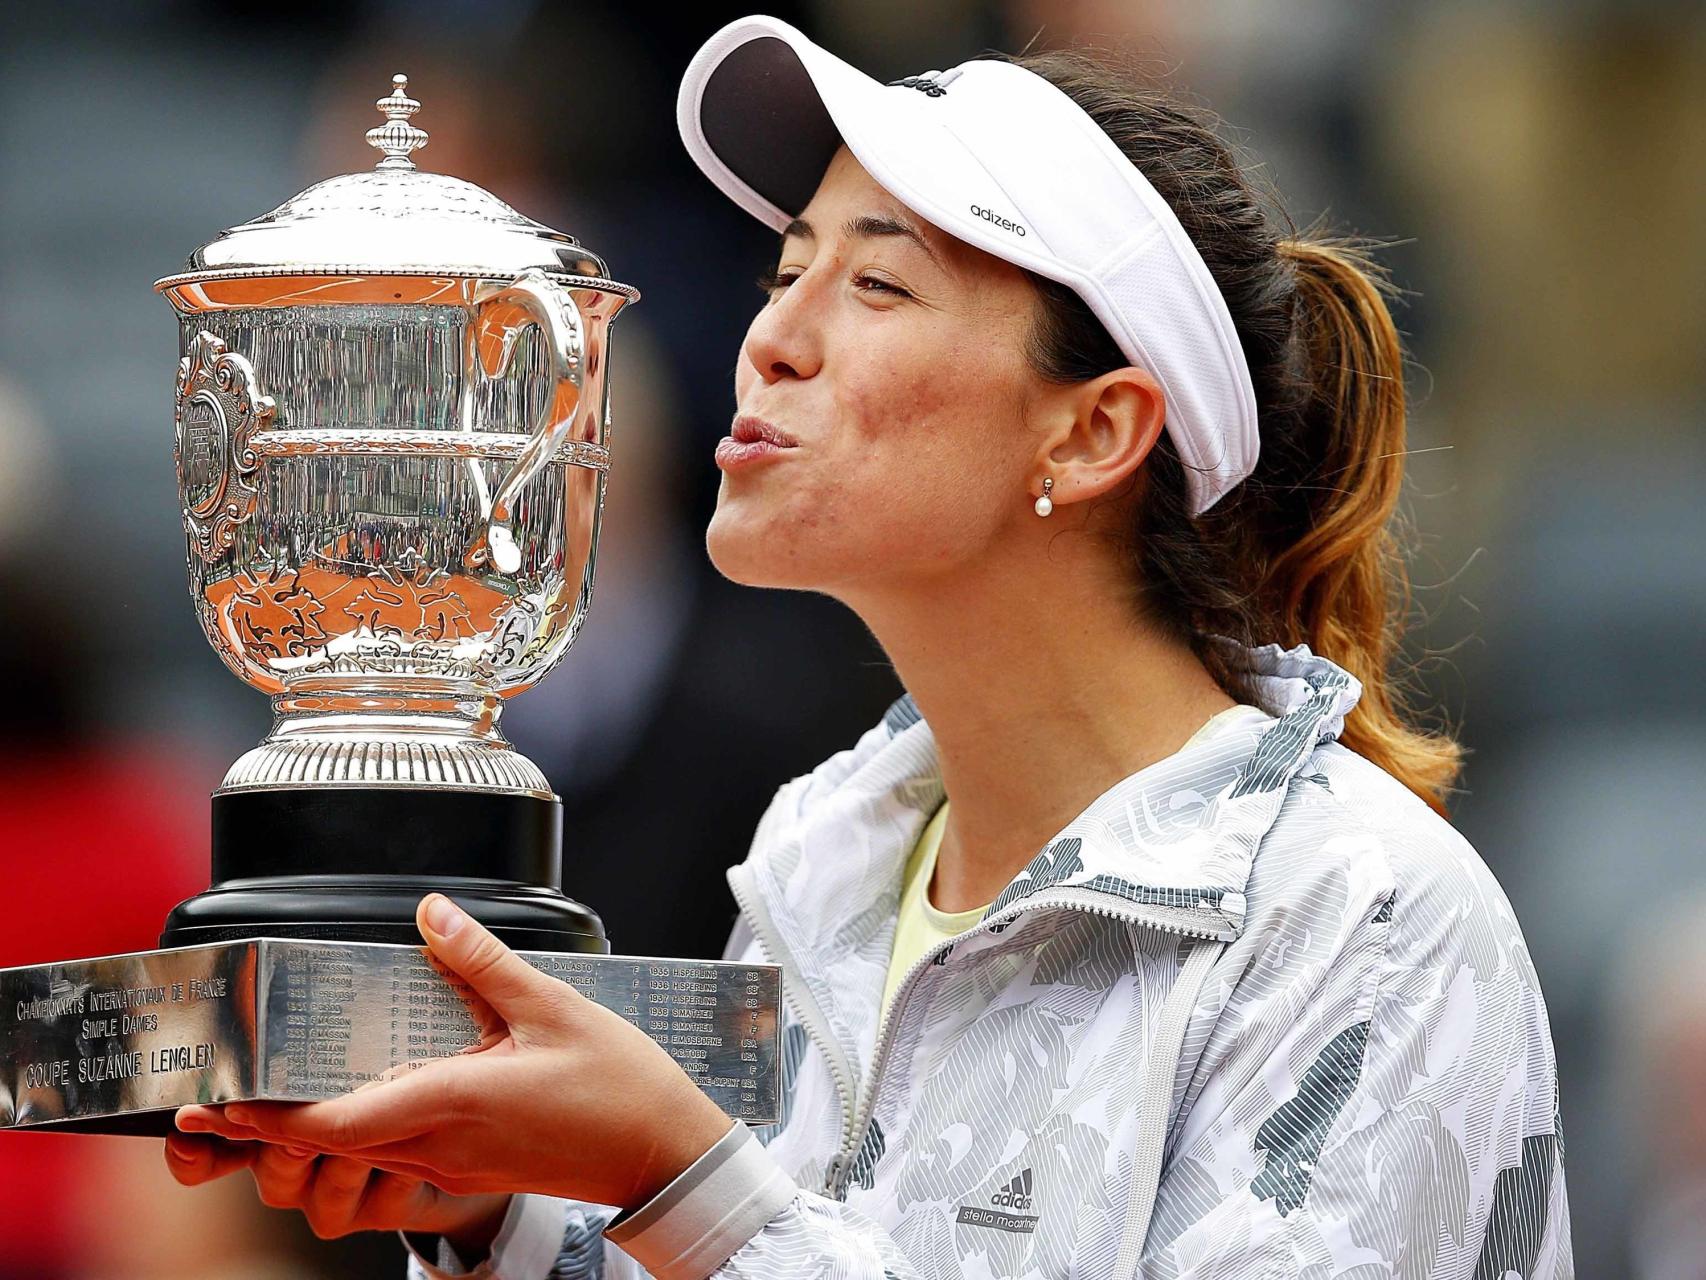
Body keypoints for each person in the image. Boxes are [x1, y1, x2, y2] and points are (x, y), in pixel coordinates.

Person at [162, 15, 1573, 1278]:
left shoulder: (1363, 919)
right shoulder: (819, 862)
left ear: (1091, 431)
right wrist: (500, 1216)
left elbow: (742, 1235)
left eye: (877, 288)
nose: (771, 337)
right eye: (786, 269)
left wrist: (681, 1184)